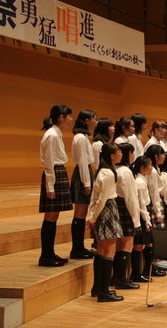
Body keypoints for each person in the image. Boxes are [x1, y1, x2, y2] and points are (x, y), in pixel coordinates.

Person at [87, 142, 124, 302]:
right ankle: (104, 291)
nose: (121, 154)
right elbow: (101, 199)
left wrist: (91, 216)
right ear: (111, 155)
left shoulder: (102, 171)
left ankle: (97, 288)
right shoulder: (108, 173)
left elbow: (95, 198)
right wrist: (92, 217)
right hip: (108, 209)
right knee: (109, 250)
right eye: (119, 152)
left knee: (101, 250)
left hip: (103, 209)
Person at [39, 105, 74, 267]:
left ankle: (50, 253)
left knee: (54, 217)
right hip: (53, 174)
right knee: (50, 217)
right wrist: (50, 187)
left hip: (58, 172)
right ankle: (45, 255)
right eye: (69, 116)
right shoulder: (52, 135)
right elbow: (48, 162)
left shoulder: (55, 133)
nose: (71, 119)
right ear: (61, 117)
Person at [111, 143, 141, 290]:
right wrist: (136, 219)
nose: (133, 156)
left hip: (115, 206)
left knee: (117, 244)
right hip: (125, 207)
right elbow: (131, 197)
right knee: (127, 244)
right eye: (131, 152)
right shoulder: (126, 171)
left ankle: (115, 277)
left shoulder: (112, 169)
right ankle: (121, 279)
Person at [70, 109, 98, 260]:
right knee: (79, 215)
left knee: (82, 214)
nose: (96, 122)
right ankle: (77, 248)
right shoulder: (80, 138)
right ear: (87, 121)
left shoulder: (83, 137)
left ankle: (79, 247)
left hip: (85, 172)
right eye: (94, 118)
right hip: (82, 175)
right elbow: (82, 161)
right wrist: (86, 183)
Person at [143, 144, 166, 277]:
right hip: (153, 204)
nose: (164, 157)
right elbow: (154, 192)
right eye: (162, 154)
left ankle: (153, 266)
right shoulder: (152, 170)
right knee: (152, 238)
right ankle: (150, 268)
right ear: (157, 156)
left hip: (153, 203)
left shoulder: (155, 168)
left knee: (154, 238)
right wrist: (158, 211)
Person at [129, 156, 153, 283]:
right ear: (143, 167)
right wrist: (147, 221)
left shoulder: (141, 180)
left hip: (143, 214)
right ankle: (136, 273)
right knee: (138, 246)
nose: (152, 168)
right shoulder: (140, 182)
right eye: (150, 165)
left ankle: (143, 272)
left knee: (145, 244)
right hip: (141, 215)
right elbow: (141, 204)